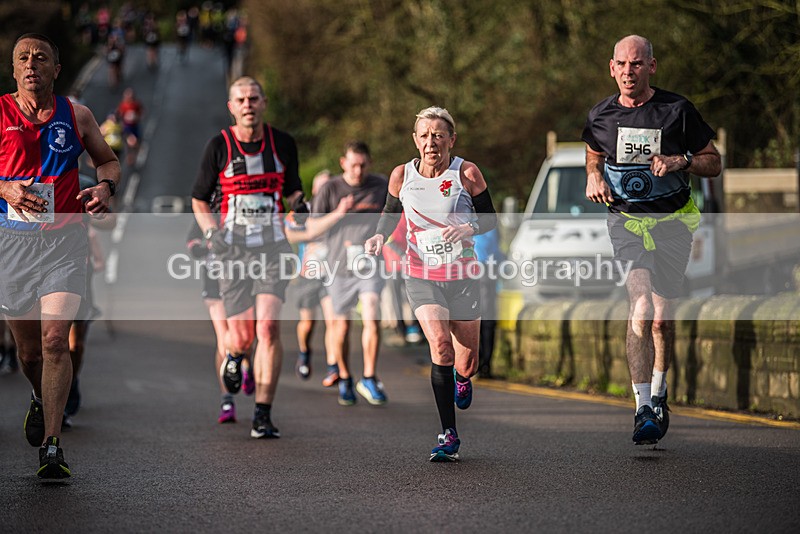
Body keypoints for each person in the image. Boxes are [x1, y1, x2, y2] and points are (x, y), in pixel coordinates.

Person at [582, 35, 721, 445]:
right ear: (611, 68)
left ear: (652, 67)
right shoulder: (601, 115)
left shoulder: (677, 111)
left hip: (673, 222)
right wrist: (593, 174)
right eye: (622, 64)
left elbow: (714, 162)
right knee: (640, 306)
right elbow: (593, 152)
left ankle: (660, 392)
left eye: (637, 64)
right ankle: (642, 406)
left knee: (662, 319)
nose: (629, 72)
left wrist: (683, 160)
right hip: (626, 222)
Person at [0, 33, 121, 478]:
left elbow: (108, 163)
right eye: (23, 58)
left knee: (55, 340)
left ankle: (52, 446)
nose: (31, 64)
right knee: (29, 353)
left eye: (41, 57)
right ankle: (39, 396)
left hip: (64, 244)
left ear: (56, 68)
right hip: (11, 245)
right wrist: (4, 187)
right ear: (14, 70)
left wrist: (104, 187)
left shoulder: (78, 115)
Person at [365, 106, 497, 461]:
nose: (431, 143)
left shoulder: (466, 173)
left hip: (463, 275)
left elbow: (490, 219)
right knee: (441, 346)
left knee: (466, 362)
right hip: (421, 273)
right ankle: (448, 434)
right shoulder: (401, 175)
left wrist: (468, 228)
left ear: (451, 139)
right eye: (424, 135)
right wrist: (379, 237)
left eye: (438, 135)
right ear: (415, 140)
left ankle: (463, 378)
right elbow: (391, 212)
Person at [191, 76, 306, 439]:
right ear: (231, 106)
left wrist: (300, 206)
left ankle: (262, 414)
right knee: (239, 337)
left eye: (253, 98)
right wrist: (211, 234)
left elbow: (293, 190)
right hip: (232, 251)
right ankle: (236, 357)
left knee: (268, 328)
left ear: (263, 102)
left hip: (272, 249)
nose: (247, 104)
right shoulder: (219, 146)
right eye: (240, 99)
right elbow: (198, 198)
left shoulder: (283, 143)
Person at [307, 141, 388, 406]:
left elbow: (395, 217)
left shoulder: (381, 186)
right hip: (339, 266)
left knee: (372, 312)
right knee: (341, 327)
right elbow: (311, 228)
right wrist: (338, 213)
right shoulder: (331, 188)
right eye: (353, 164)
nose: (358, 170)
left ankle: (370, 376)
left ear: (370, 163)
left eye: (363, 164)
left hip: (370, 264)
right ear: (343, 162)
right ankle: (344, 377)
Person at [186, 221, 255, 424]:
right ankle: (227, 400)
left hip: (242, 280)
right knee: (223, 340)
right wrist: (202, 246)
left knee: (245, 339)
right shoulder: (207, 209)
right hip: (214, 281)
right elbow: (191, 242)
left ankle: (247, 365)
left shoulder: (242, 211)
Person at [283, 170, 342, 387]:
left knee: (333, 321)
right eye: (323, 186)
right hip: (308, 273)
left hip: (332, 273)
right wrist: (310, 233)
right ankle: (304, 352)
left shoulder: (339, 209)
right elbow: (290, 233)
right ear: (316, 189)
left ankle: (333, 366)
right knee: (308, 323)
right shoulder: (303, 210)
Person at [472, 227, 504, 379]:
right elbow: (495, 249)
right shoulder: (490, 224)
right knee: (487, 321)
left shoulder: (462, 216)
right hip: (485, 271)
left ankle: (479, 365)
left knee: (476, 320)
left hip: (473, 270)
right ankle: (485, 365)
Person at [116, 88, 143, 167]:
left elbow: (141, 112)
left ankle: (134, 153)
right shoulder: (123, 105)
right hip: (127, 127)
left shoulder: (136, 104)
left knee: (134, 142)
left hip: (134, 126)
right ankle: (130, 156)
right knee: (130, 142)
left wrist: (137, 117)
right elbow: (119, 114)